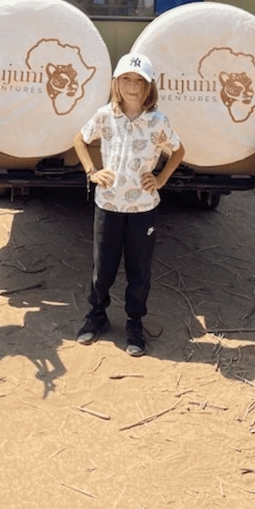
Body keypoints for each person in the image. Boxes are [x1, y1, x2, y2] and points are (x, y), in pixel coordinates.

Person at [72, 52, 185, 357]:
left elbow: (178, 150)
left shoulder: (158, 121)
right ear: (116, 84)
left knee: (139, 269)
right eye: (126, 79)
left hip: (142, 208)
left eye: (139, 80)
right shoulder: (106, 115)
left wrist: (160, 180)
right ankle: (97, 316)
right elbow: (80, 140)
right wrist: (92, 172)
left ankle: (134, 322)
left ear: (149, 87)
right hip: (108, 204)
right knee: (103, 267)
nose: (133, 86)